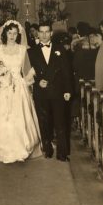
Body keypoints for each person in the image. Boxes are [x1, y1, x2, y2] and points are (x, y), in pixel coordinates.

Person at [0, 20, 42, 164]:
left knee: (20, 115)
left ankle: (23, 147)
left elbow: (30, 69)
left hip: (19, 86)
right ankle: (1, 147)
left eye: (15, 33)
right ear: (5, 33)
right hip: (3, 87)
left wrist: (26, 80)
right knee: (2, 115)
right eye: (9, 33)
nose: (12, 36)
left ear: (19, 34)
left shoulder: (23, 49)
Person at [28, 22, 72, 161]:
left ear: (51, 33)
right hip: (41, 92)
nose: (44, 35)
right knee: (44, 122)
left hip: (58, 91)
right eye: (41, 32)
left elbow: (67, 72)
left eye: (47, 32)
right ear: (37, 33)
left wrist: (68, 90)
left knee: (60, 122)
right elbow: (26, 73)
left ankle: (62, 153)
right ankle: (47, 149)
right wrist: (37, 81)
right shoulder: (31, 51)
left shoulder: (60, 49)